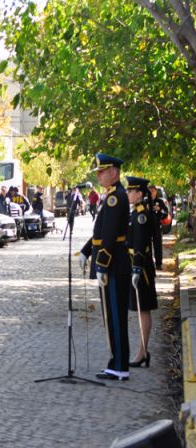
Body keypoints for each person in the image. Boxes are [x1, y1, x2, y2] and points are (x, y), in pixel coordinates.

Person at [80, 153, 131, 381]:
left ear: (114, 172)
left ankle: (120, 365)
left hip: (113, 265)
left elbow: (110, 236)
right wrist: (86, 249)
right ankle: (115, 361)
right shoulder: (113, 195)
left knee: (115, 316)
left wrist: (101, 264)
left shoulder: (116, 197)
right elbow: (100, 232)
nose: (99, 176)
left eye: (102, 171)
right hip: (111, 264)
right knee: (110, 315)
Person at [125, 176, 157, 368]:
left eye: (131, 191)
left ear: (139, 194)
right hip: (134, 265)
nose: (128, 194)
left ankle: (143, 352)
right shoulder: (135, 213)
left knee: (143, 308)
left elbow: (141, 245)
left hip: (141, 268)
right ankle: (141, 351)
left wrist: (136, 269)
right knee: (138, 308)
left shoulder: (142, 215)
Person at [149, 185, 168, 270]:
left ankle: (158, 264)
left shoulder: (160, 201)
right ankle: (148, 264)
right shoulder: (145, 202)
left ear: (156, 191)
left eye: (153, 191)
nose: (152, 193)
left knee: (158, 246)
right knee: (147, 247)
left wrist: (159, 209)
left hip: (157, 227)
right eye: (150, 191)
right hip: (147, 228)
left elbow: (165, 213)